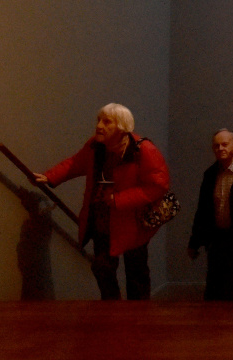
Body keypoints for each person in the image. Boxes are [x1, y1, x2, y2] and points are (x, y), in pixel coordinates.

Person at [34, 103, 170, 300]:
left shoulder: (144, 149)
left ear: (122, 126)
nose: (99, 126)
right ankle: (111, 313)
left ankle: (139, 316)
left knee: (136, 272)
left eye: (107, 122)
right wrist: (50, 176)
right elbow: (76, 163)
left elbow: (158, 186)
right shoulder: (95, 146)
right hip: (102, 220)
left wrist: (119, 199)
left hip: (133, 223)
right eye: (99, 120)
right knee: (102, 269)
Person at [187, 129, 233, 301]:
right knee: (213, 289)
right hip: (217, 240)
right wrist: (195, 242)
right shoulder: (211, 174)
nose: (220, 148)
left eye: (224, 144)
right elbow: (203, 210)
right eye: (216, 146)